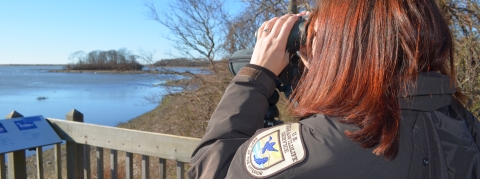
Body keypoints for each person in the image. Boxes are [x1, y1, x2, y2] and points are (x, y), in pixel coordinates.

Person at [187, 0, 480, 178]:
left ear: (346, 45)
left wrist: (256, 74)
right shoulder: (462, 123)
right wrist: (321, 72)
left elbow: (211, 170)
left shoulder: (333, 143)